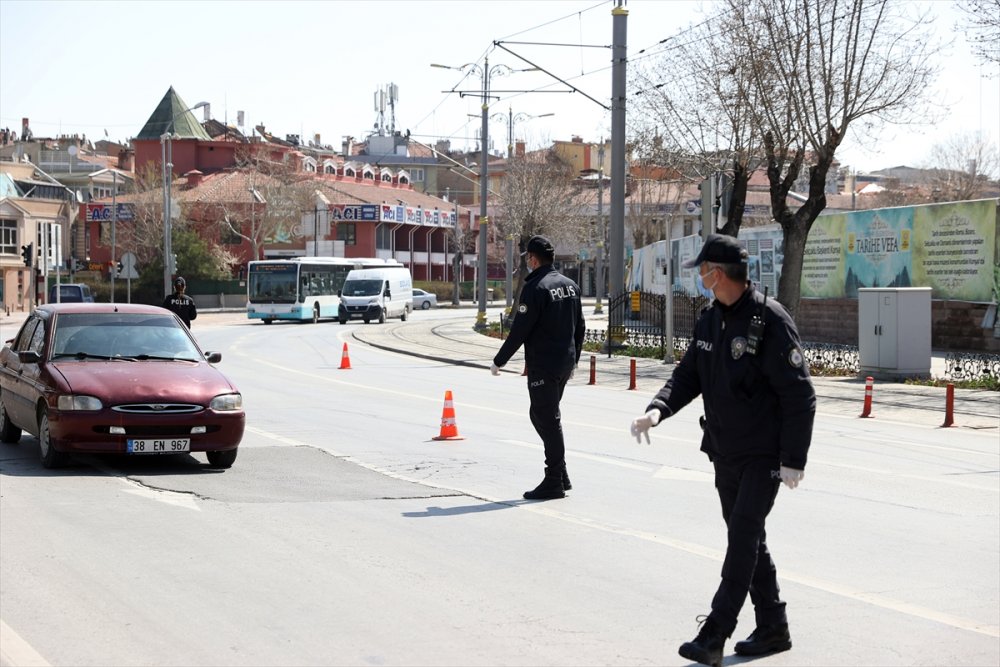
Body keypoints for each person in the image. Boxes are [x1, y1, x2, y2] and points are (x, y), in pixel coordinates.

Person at [629, 233, 815, 667]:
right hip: (724, 450)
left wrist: (793, 459)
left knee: (742, 539)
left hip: (763, 456)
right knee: (748, 539)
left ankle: (715, 633)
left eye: (704, 272)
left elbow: (800, 395)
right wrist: (657, 410)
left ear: (718, 273)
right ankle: (773, 625)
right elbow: (688, 374)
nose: (701, 279)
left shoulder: (770, 321)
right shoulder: (711, 318)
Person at [491, 235, 585, 500]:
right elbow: (581, 327)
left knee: (547, 419)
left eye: (528, 258)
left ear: (533, 259)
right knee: (543, 416)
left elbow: (520, 330)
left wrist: (499, 361)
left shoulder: (536, 288)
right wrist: (574, 358)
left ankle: (554, 479)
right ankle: (561, 474)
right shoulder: (570, 286)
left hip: (544, 366)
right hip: (564, 364)